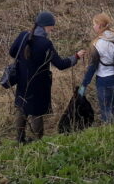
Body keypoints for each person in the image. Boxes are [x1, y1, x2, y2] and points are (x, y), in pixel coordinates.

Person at [9, 11, 86, 143]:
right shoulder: (45, 44)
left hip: (22, 80)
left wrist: (24, 62)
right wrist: (76, 57)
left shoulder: (23, 36)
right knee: (36, 112)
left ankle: (19, 139)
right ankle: (38, 141)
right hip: (39, 84)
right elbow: (61, 64)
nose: (53, 28)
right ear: (45, 26)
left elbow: (12, 52)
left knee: (21, 108)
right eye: (52, 26)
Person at [78, 13, 114, 123]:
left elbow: (92, 68)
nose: (93, 26)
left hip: (106, 82)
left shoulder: (98, 44)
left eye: (94, 24)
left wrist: (83, 86)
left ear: (100, 25)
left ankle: (110, 133)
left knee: (106, 110)